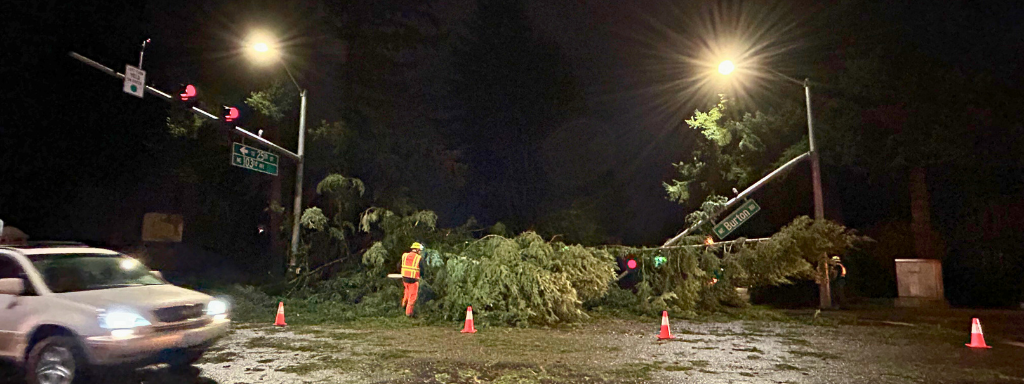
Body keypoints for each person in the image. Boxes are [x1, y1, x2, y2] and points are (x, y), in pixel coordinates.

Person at [399, 242, 426, 316]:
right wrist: (422, 276)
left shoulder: (405, 255)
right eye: (420, 250)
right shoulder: (418, 258)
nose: (420, 252)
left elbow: (399, 265)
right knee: (412, 296)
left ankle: (403, 307)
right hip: (413, 280)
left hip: (404, 278)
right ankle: (409, 313)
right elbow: (422, 269)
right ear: (417, 250)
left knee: (406, 293)